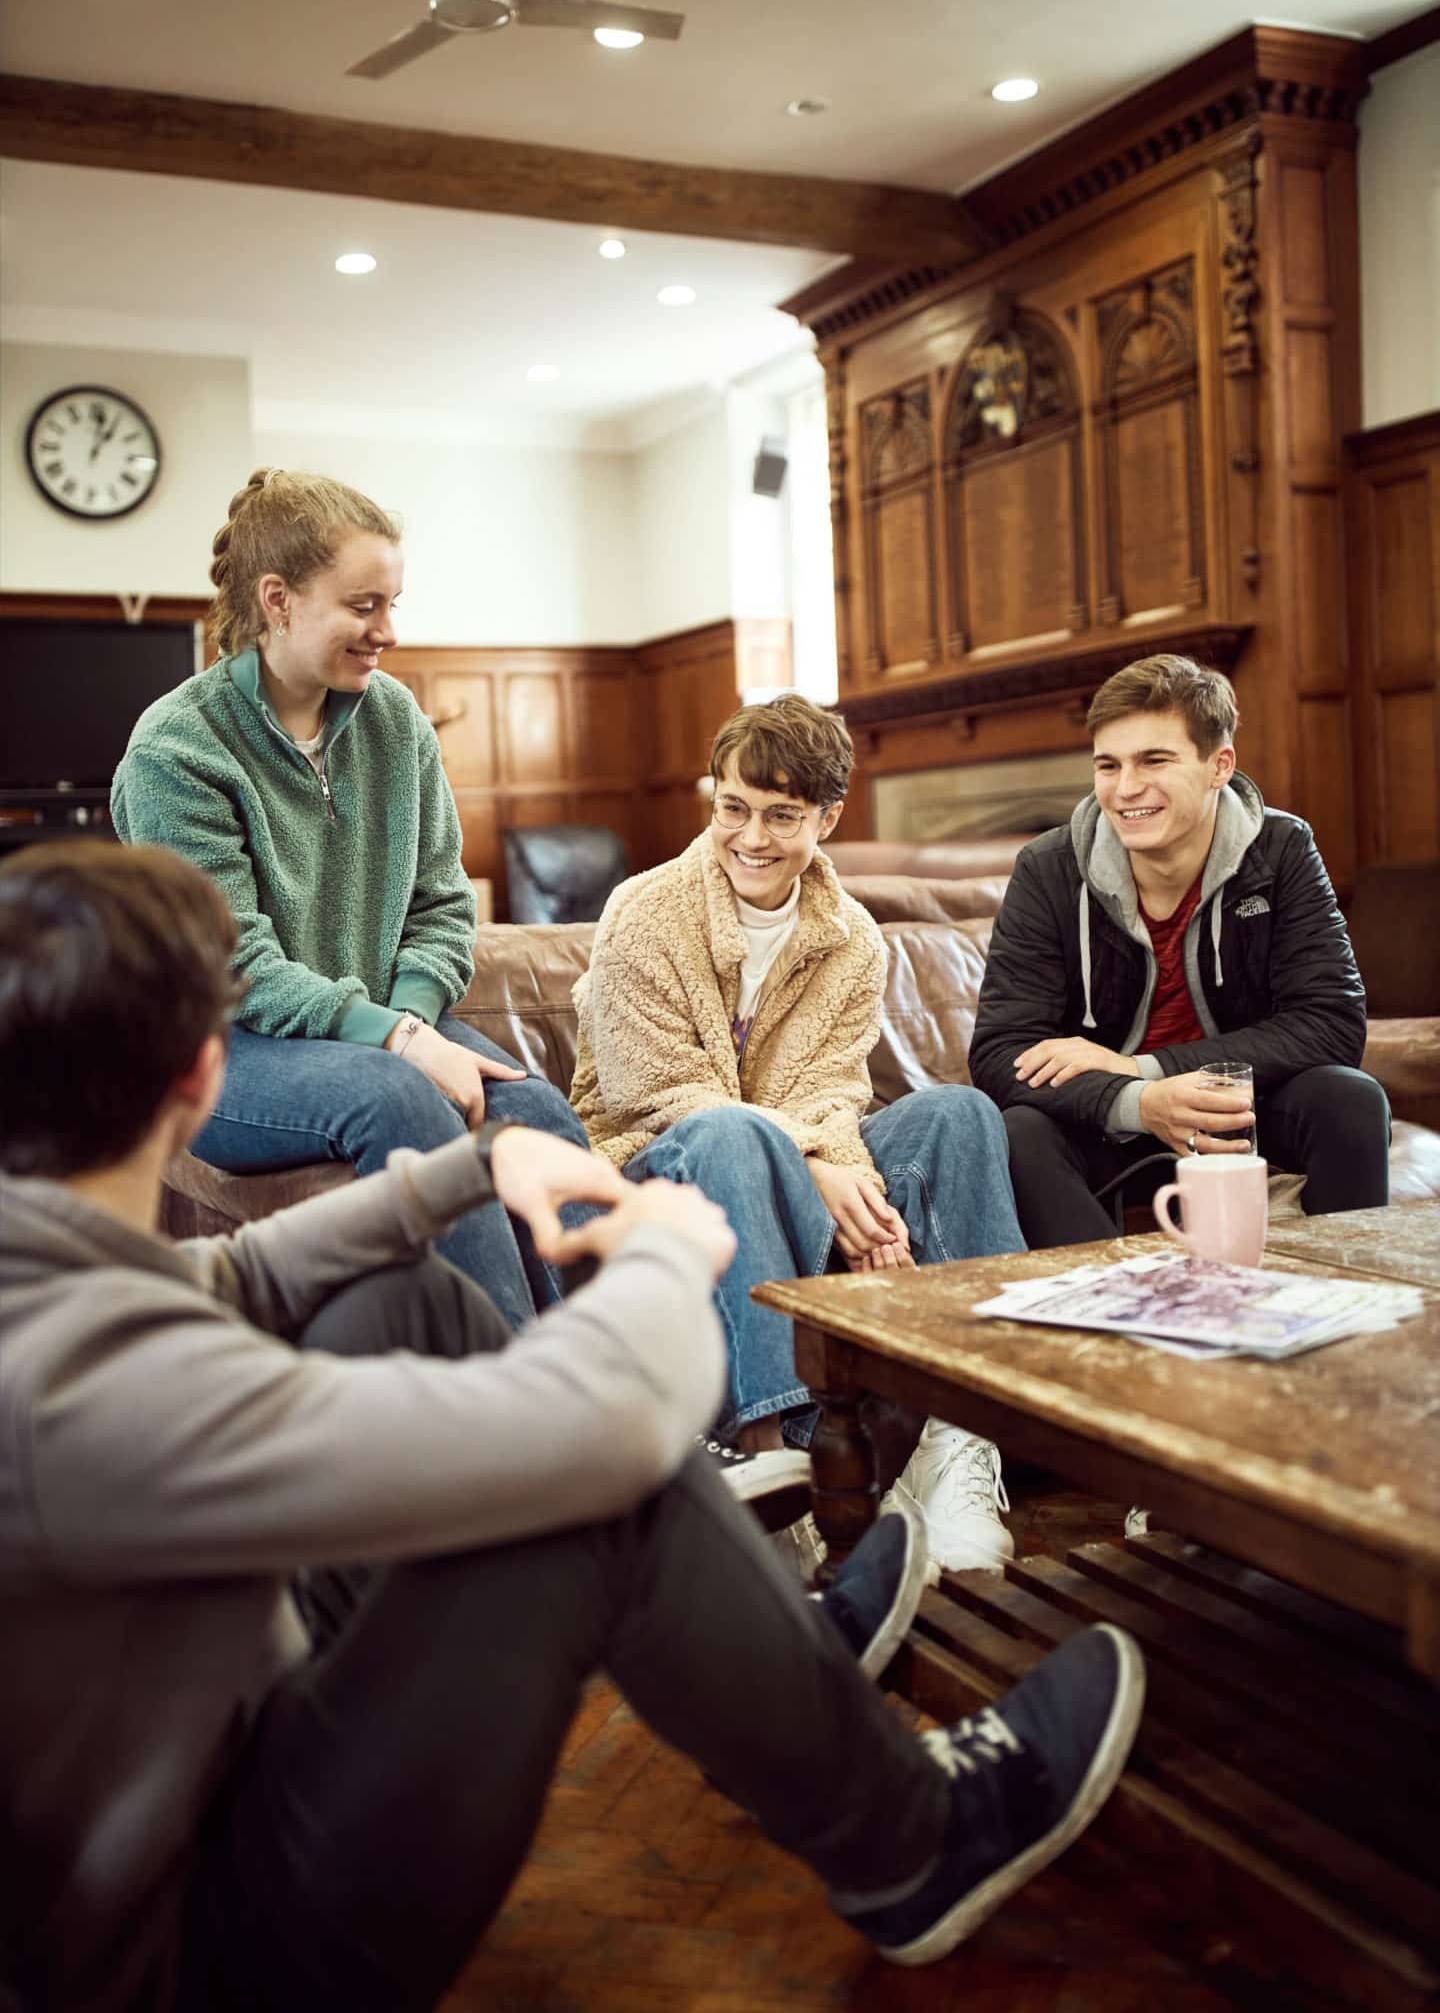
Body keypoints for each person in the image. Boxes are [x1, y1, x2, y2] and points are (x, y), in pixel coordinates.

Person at [0, 839, 1146, 2012]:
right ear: (201, 1077)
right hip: (207, 1951)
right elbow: (608, 1417)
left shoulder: (35, 1275)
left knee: (407, 1298)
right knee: (590, 1493)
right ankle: (915, 1836)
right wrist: (661, 1253)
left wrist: (462, 1172)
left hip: (200, 1771)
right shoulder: (84, 1390)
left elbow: (230, 1280)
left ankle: (781, 1659)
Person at [111, 466, 587, 1333]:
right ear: (278, 599)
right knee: (397, 1098)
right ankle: (521, 1414)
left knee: (537, 1109)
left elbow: (442, 905)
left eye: (393, 604)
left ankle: (635, 1391)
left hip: (375, 1025)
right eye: (364, 606)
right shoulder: (175, 750)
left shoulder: (394, 721)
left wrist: (409, 1018)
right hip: (229, 1051)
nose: (389, 632)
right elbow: (235, 966)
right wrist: (402, 1043)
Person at [570, 695, 1029, 1571]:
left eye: (782, 816)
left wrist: (830, 1160)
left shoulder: (852, 937)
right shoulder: (643, 910)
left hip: (794, 1147)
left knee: (960, 1114)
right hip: (658, 1163)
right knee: (738, 1133)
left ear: (828, 817)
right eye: (733, 807)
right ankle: (779, 1467)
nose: (751, 836)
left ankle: (962, 1441)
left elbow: (831, 1086)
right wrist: (816, 1159)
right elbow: (661, 1094)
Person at [969, 653, 1390, 1248]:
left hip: (1237, 1114)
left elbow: (1332, 1023)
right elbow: (1000, 1052)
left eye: (1154, 760)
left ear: (1219, 766)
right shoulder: (1048, 869)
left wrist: (1147, 1069)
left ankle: (1345, 1299)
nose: (1125, 789)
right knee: (1018, 1132)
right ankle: (1116, 1317)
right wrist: (1139, 1101)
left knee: (1347, 1097)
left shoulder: (1281, 849)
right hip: (1108, 1123)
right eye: (1108, 765)